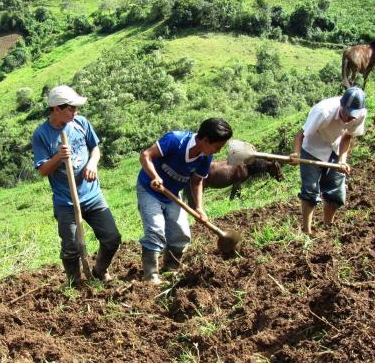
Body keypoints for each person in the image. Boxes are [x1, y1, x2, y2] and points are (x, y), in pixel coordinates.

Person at [32, 85, 121, 284]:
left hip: (92, 196)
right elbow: (42, 171)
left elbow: (95, 149)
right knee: (71, 247)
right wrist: (58, 157)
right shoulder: (41, 135)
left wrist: (92, 163)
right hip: (66, 202)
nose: (76, 112)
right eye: (71, 108)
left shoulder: (81, 123)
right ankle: (75, 282)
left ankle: (100, 270)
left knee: (112, 238)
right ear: (56, 109)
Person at [137, 118, 233, 284]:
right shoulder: (175, 140)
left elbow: (197, 181)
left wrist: (199, 208)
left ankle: (171, 268)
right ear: (205, 140)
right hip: (149, 189)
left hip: (172, 193)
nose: (217, 151)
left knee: (181, 234)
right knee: (155, 229)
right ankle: (150, 276)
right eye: (217, 147)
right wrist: (155, 177)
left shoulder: (205, 157)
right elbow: (145, 156)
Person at [289, 86, 366, 235]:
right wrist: (296, 154)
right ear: (341, 105)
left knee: (336, 193)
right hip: (312, 147)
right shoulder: (323, 112)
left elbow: (347, 137)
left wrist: (342, 161)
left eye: (352, 117)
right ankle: (307, 232)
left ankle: (327, 228)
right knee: (310, 191)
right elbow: (300, 134)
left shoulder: (360, 114)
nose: (348, 119)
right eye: (346, 114)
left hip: (335, 147)